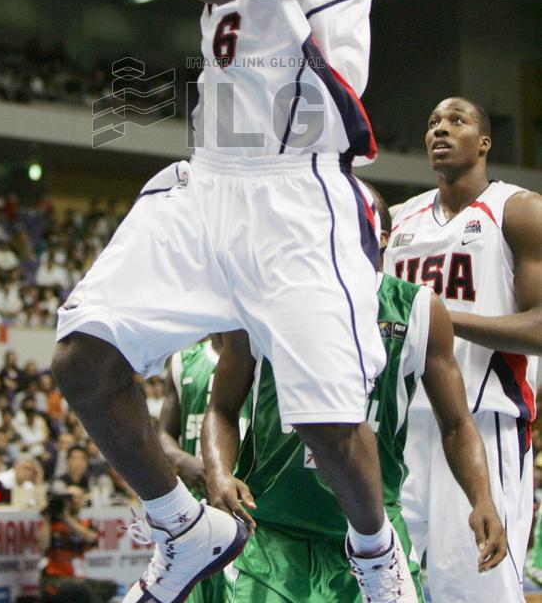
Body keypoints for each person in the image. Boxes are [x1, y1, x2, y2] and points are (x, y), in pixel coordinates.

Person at [0, 0, 414, 602]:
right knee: (83, 362)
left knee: (330, 430)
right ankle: (185, 528)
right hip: (206, 180)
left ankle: (376, 556)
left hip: (295, 193)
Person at [202, 187, 506, 601]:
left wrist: (481, 498)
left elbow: (455, 424)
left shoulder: (419, 309)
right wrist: (219, 472)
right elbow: (221, 407)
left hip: (372, 536)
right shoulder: (263, 297)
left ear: (381, 235)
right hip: (273, 533)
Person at [384, 97, 542, 602]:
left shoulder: (518, 211)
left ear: (485, 142)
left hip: (481, 424)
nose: (440, 131)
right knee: (379, 585)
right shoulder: (396, 221)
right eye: (432, 123)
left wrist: (440, 321)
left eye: (457, 121)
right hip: (400, 428)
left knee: (474, 592)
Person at [159, 335, 249, 603]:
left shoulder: (260, 354)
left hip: (246, 503)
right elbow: (163, 434)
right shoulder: (182, 361)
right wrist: (180, 459)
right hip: (195, 505)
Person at [39, 485, 117, 603]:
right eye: (69, 498)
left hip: (77, 578)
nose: (72, 502)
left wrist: (67, 519)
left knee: (110, 586)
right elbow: (42, 545)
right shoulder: (52, 524)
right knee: (82, 590)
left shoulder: (84, 524)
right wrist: (46, 517)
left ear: (82, 501)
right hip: (55, 579)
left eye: (76, 498)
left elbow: (91, 538)